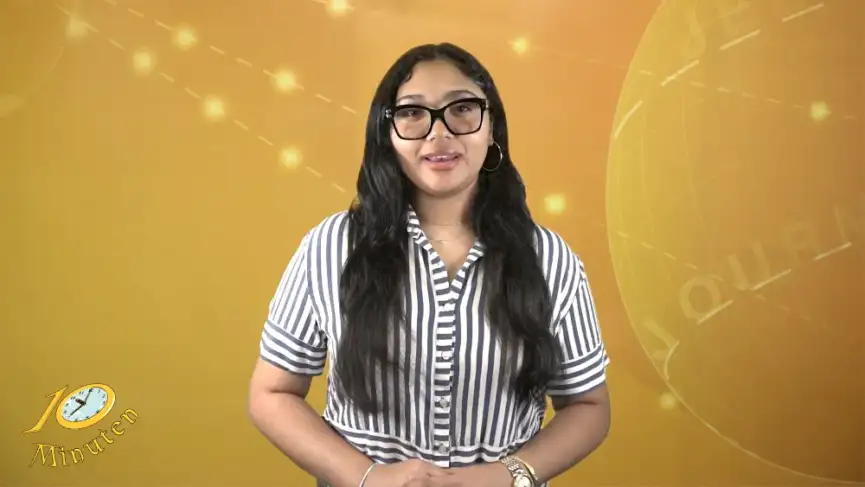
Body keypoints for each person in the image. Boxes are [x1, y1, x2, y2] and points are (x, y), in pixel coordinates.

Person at [247, 42, 611, 487]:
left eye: (462, 109)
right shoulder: (332, 246)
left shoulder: (549, 259)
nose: (439, 135)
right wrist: (368, 477)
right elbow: (271, 393)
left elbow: (588, 406)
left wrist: (507, 474)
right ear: (387, 133)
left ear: (492, 127)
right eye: (413, 113)